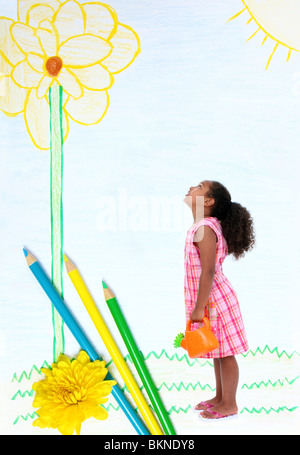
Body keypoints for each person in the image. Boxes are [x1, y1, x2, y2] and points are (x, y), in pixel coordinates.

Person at [183, 180, 255, 419]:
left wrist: (199, 308)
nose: (191, 186)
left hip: (215, 300)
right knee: (218, 349)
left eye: (199, 186)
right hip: (212, 299)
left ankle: (230, 403)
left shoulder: (205, 228)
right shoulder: (203, 226)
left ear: (208, 201)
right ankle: (220, 397)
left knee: (225, 353)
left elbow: (209, 271)